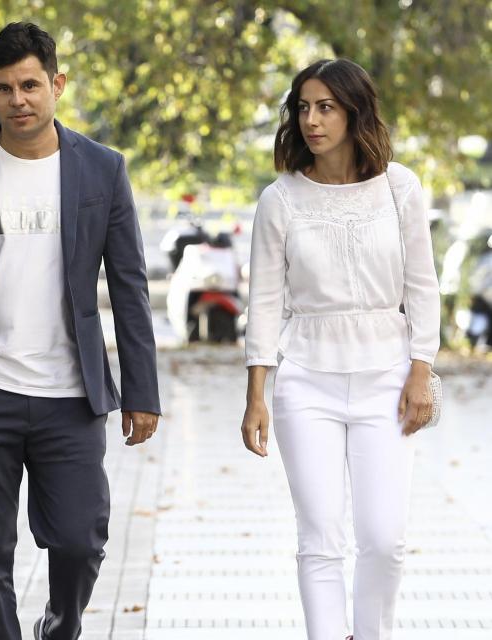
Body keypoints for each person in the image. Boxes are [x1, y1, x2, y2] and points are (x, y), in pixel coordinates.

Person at [0, 22, 161, 640]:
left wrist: (142, 391)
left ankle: (58, 626)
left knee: (80, 540)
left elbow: (129, 286)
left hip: (70, 396)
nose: (18, 100)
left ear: (56, 84)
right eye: (3, 89)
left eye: (29, 85)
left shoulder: (102, 170)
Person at [240, 60, 440, 640]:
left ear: (355, 112)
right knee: (320, 538)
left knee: (384, 539)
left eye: (325, 106)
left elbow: (423, 286)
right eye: (303, 107)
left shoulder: (400, 187)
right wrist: (257, 394)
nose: (311, 119)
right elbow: (264, 302)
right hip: (306, 381)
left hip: (388, 377)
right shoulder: (279, 199)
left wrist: (421, 369)